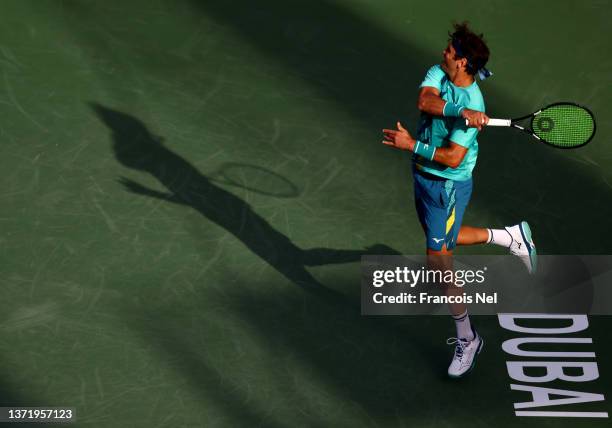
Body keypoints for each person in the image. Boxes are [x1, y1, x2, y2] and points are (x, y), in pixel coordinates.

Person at [381, 22, 537, 378]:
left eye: (450, 52)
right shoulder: (440, 74)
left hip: (446, 184)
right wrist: (457, 112)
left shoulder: (476, 102)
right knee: (443, 240)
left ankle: (468, 337)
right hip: (423, 174)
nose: (443, 54)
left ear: (463, 62)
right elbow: (425, 100)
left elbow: (452, 157)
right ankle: (510, 237)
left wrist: (413, 145)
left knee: (439, 259)